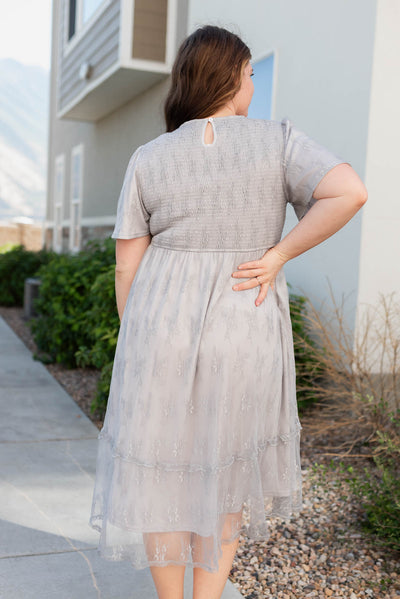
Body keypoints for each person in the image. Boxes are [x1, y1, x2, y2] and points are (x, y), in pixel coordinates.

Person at [88, 24, 367, 599]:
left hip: (159, 331)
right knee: (228, 472)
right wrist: (280, 253)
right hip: (245, 326)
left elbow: (126, 266)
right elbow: (349, 191)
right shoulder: (277, 140)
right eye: (249, 75)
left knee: (159, 471)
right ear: (233, 78)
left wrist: (139, 335)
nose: (251, 85)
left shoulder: (149, 156)